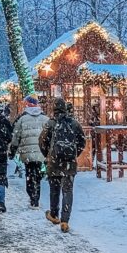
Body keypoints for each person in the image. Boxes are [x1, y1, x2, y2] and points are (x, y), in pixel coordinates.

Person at [39, 97, 86, 233]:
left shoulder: (50, 124)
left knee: (54, 189)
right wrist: (73, 155)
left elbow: (42, 141)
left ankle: (54, 215)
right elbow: (82, 142)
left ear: (54, 110)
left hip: (54, 162)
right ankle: (65, 220)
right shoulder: (74, 124)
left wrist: (48, 154)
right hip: (69, 164)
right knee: (67, 190)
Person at [10, 95, 47, 208]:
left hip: (27, 152)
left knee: (29, 174)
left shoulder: (22, 119)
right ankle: (36, 197)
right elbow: (49, 136)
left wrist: (13, 150)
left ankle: (32, 195)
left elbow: (16, 136)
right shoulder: (45, 119)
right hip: (40, 152)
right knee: (37, 175)